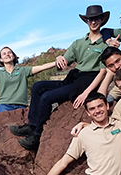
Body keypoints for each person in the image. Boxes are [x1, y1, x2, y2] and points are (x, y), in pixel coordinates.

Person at [10, 5, 109, 150]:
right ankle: (32, 125)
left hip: (87, 80)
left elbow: (102, 72)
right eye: (90, 19)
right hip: (73, 76)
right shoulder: (78, 43)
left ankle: (37, 136)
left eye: (96, 19)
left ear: (101, 20)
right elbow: (64, 62)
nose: (93, 22)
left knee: (47, 97)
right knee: (38, 86)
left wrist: (86, 93)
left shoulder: (105, 45)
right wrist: (59, 58)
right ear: (86, 21)